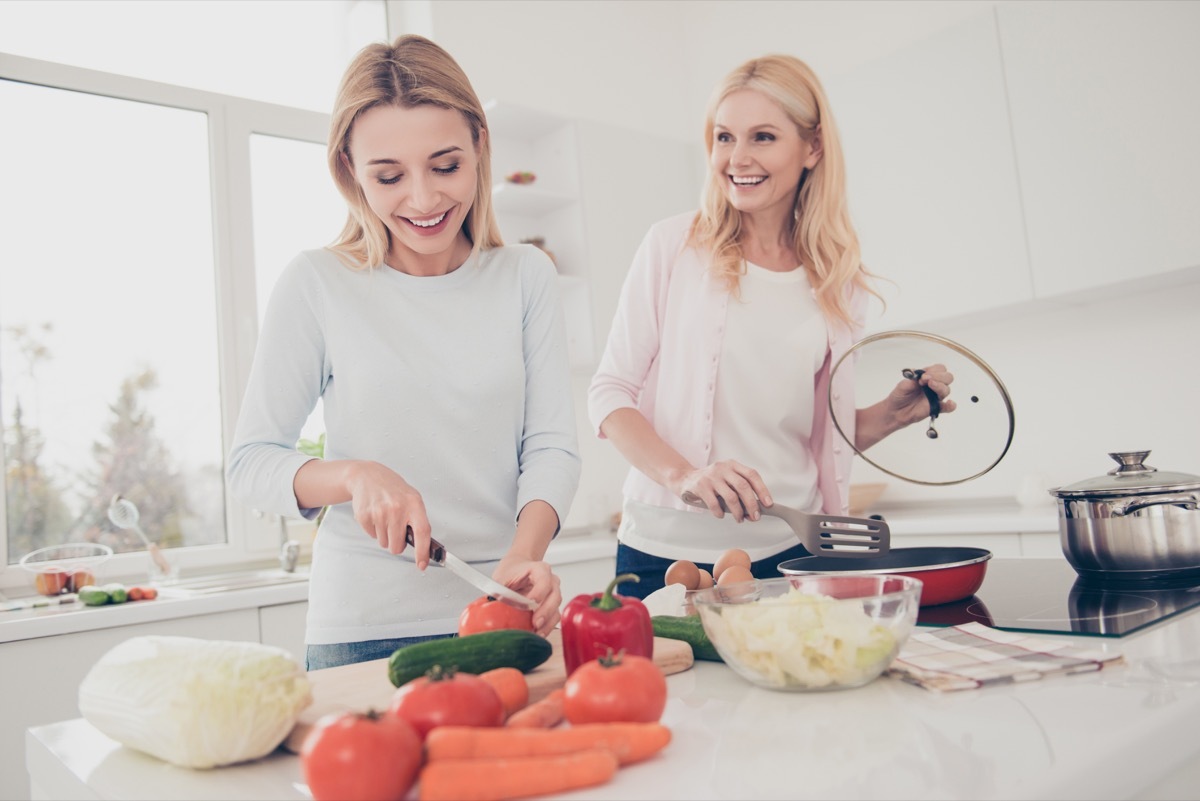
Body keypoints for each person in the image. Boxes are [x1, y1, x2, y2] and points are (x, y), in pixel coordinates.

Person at [227, 35, 580, 669]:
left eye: (445, 167)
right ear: (350, 172)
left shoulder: (525, 275)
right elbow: (251, 462)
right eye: (388, 176)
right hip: (360, 628)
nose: (422, 200)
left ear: (478, 146)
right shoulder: (317, 283)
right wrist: (353, 475)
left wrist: (527, 553)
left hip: (498, 612)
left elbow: (551, 445)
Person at [587, 54, 953, 599]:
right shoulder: (672, 246)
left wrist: (890, 416)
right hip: (665, 552)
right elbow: (610, 393)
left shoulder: (836, 279)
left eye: (762, 137)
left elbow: (816, 438)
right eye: (723, 137)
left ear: (812, 147)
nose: (737, 158)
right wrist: (685, 475)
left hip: (791, 551)